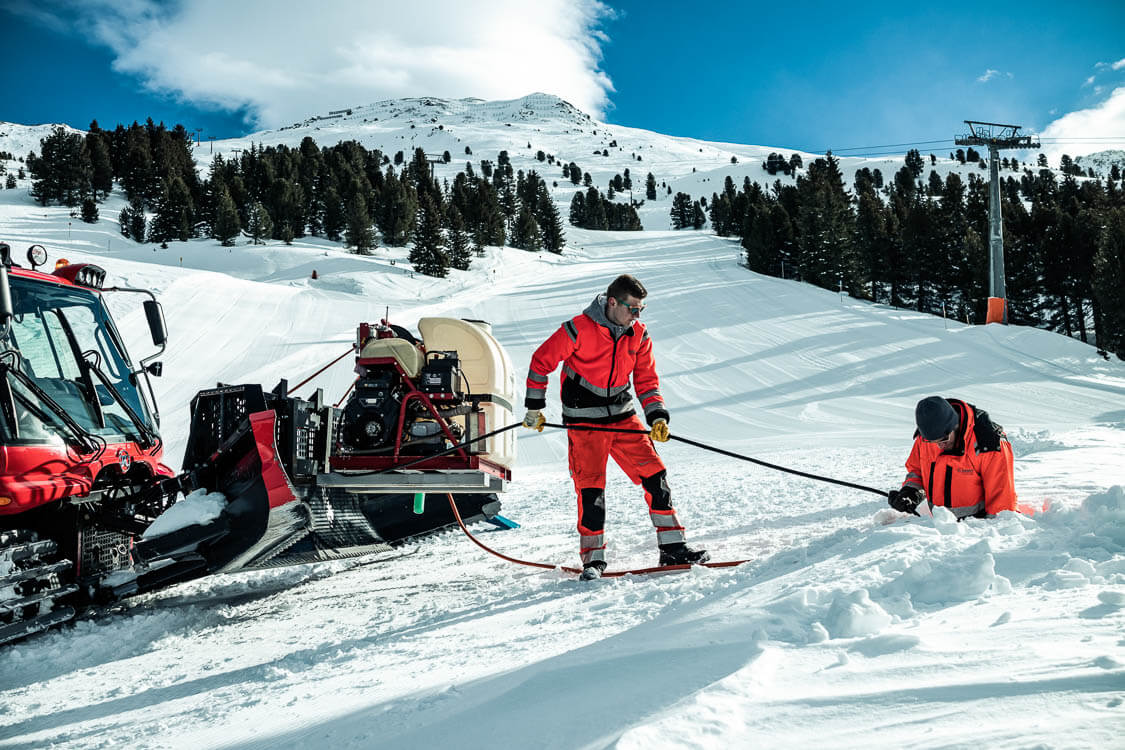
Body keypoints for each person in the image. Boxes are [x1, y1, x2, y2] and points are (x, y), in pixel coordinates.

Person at [523, 274, 709, 579]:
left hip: (623, 417)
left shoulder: (639, 334)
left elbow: (646, 381)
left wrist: (657, 416)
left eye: (641, 310)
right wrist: (534, 407)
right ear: (612, 302)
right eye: (632, 308)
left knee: (655, 476)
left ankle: (673, 549)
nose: (636, 315)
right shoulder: (578, 329)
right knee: (591, 489)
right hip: (584, 421)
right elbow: (541, 361)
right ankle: (593, 562)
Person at [888, 396, 1018, 519]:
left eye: (944, 439)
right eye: (933, 441)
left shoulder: (988, 444)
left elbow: (1002, 502)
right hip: (940, 526)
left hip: (978, 529)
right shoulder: (926, 438)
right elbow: (917, 471)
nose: (939, 445)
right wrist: (911, 492)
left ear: (955, 425)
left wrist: (985, 534)